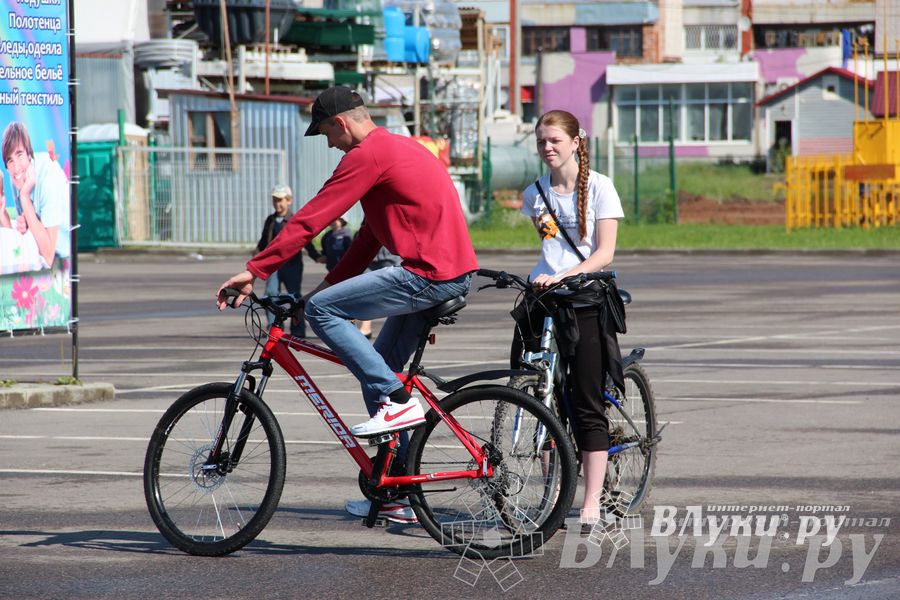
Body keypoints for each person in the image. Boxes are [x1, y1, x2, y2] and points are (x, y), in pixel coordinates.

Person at [217, 85, 478, 523]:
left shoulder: (366, 155)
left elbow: (310, 219)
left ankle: (398, 401)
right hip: (449, 272)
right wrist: (322, 289)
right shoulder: (397, 149)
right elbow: (368, 239)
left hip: (428, 274)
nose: (329, 145)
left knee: (331, 324)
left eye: (325, 135)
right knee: (377, 366)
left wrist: (257, 269)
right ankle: (399, 491)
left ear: (341, 124)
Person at [513, 110, 625, 525]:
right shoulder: (535, 193)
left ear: (577, 142)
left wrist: (565, 275)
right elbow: (549, 250)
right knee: (541, 396)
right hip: (545, 301)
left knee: (585, 403)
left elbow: (604, 253)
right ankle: (555, 493)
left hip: (585, 301)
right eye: (542, 141)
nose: (548, 148)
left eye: (556, 140)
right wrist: (543, 278)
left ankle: (592, 499)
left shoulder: (599, 187)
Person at [0, 122, 70, 269]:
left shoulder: (48, 179)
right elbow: (26, 240)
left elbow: (48, 256)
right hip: (41, 249)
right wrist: (3, 216)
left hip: (61, 256)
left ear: (29, 154)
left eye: (19, 155)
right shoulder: (17, 179)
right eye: (10, 160)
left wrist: (24, 197)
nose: (16, 167)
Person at [255, 184, 322, 338]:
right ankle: (274, 327)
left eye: (280, 200)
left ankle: (297, 329)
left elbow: (306, 240)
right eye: (274, 200)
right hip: (274, 265)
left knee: (293, 296)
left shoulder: (294, 220)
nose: (277, 204)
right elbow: (264, 241)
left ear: (289, 201)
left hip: (292, 265)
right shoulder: (271, 220)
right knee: (271, 293)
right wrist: (257, 256)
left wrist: (316, 256)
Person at [357, 244, 401, 339]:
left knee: (395, 293)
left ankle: (397, 328)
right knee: (365, 290)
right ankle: (366, 327)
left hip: (391, 254)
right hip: (370, 255)